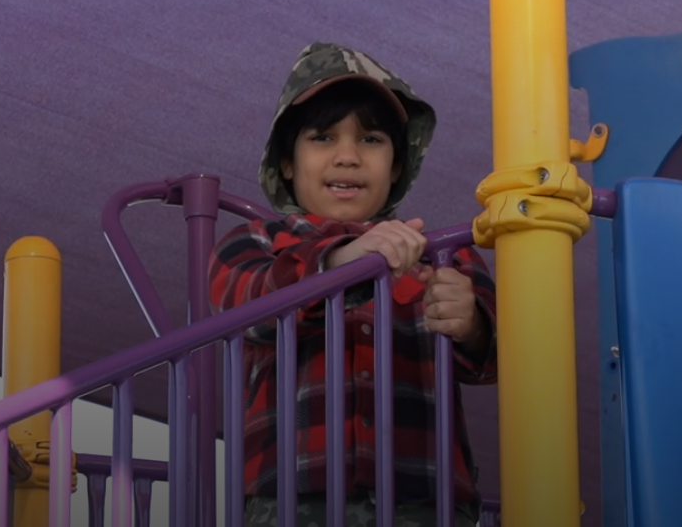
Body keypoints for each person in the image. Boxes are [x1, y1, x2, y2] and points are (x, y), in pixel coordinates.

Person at [209, 43, 496, 527]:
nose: (347, 157)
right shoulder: (255, 241)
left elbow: (498, 356)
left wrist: (470, 323)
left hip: (425, 502)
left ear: (397, 165)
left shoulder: (443, 252)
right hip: (293, 498)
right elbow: (243, 305)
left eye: (371, 140)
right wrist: (342, 262)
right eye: (323, 138)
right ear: (286, 162)